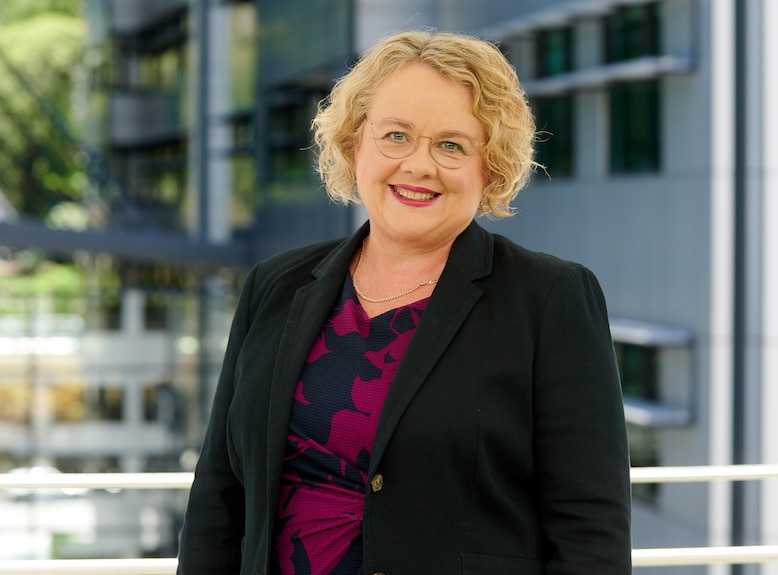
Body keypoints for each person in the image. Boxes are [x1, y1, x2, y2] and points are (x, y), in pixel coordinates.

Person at [176, 29, 631, 575]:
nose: (418, 165)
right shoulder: (274, 284)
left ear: (490, 167)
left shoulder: (550, 299)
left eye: (452, 145)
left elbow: (590, 534)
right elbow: (218, 498)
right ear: (354, 144)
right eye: (396, 135)